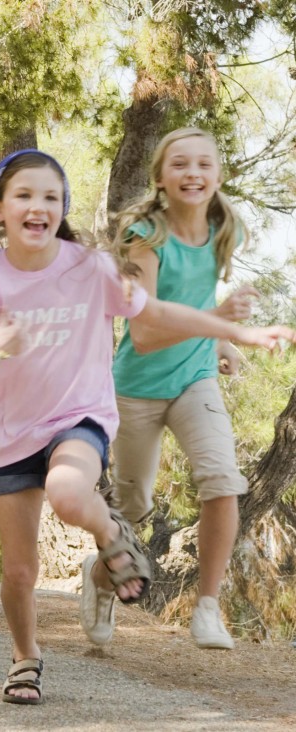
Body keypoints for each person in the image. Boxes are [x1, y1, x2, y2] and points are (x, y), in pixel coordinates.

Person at [0, 149, 293, 704]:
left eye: (51, 197)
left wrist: (230, 330)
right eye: (24, 195)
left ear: (62, 208)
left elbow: (155, 314)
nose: (38, 207)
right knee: (20, 572)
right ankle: (25, 657)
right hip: (9, 436)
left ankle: (113, 535)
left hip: (78, 416)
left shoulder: (88, 267)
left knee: (71, 491)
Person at [109, 127, 257, 650]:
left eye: (204, 164)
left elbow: (196, 292)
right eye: (180, 164)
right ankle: (102, 579)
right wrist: (218, 322)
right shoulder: (144, 236)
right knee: (133, 506)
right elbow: (144, 333)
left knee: (222, 478)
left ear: (218, 175)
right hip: (138, 386)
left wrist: (220, 343)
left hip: (194, 379)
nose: (193, 173)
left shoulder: (226, 229)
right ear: (160, 178)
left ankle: (208, 608)